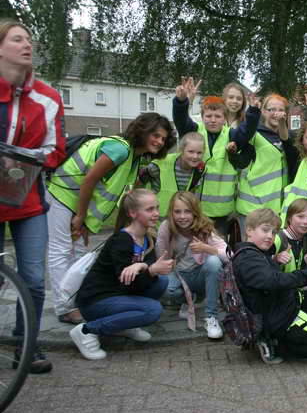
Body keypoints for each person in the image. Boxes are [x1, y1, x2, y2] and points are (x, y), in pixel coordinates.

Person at [47, 113, 175, 325]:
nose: (159, 141)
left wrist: (85, 220)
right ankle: (64, 308)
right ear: (143, 131)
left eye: (163, 138)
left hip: (77, 199)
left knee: (78, 252)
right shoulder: (120, 149)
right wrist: (81, 215)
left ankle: (77, 302)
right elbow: (90, 180)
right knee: (61, 250)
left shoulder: (135, 158)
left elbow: (113, 194)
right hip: (63, 193)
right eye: (155, 135)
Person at [0, 19, 66, 373]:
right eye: (16, 39)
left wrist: (22, 158)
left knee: (34, 280)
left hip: (28, 203)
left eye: (29, 39)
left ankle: (26, 344)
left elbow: (56, 151)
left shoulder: (48, 98)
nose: (26, 44)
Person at [70, 189, 174, 360]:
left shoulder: (148, 238)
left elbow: (141, 278)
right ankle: (87, 331)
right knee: (153, 310)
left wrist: (143, 266)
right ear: (132, 213)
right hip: (96, 301)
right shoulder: (122, 240)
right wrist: (150, 270)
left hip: (119, 294)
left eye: (157, 207)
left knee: (161, 281)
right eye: (149, 209)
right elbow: (128, 284)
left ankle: (125, 325)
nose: (156, 213)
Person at [233, 208, 307, 364]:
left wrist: (276, 259)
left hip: (286, 303)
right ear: (249, 230)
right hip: (279, 319)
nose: (270, 236)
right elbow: (273, 280)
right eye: (265, 230)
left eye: (273, 232)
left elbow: (267, 278)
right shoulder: (248, 258)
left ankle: (305, 334)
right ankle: (277, 344)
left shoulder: (256, 252)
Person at [172, 78, 260, 234]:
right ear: (202, 117)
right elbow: (180, 120)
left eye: (218, 117)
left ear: (224, 118)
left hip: (223, 210)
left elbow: (247, 131)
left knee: (218, 246)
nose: (213, 120)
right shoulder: (195, 130)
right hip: (196, 207)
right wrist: (181, 101)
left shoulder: (231, 134)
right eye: (209, 116)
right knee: (195, 244)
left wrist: (252, 111)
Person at [156, 191, 227, 339]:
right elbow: (161, 258)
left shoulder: (204, 227)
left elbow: (229, 255)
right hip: (179, 274)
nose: (182, 216)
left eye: (187, 211)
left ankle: (211, 317)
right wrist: (168, 263)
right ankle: (187, 301)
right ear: (171, 212)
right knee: (165, 287)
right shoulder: (166, 227)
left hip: (199, 273)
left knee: (214, 262)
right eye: (177, 212)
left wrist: (207, 248)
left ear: (195, 212)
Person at [235, 94, 291, 235]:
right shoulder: (254, 134)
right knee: (250, 247)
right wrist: (252, 111)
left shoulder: (287, 138)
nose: (276, 113)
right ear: (264, 112)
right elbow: (242, 134)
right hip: (252, 208)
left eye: (280, 110)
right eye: (271, 109)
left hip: (276, 209)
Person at [140, 131, 205, 217]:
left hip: (180, 219)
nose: (195, 156)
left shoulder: (200, 169)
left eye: (199, 153)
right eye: (191, 152)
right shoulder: (159, 164)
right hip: (156, 218)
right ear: (181, 150)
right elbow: (139, 184)